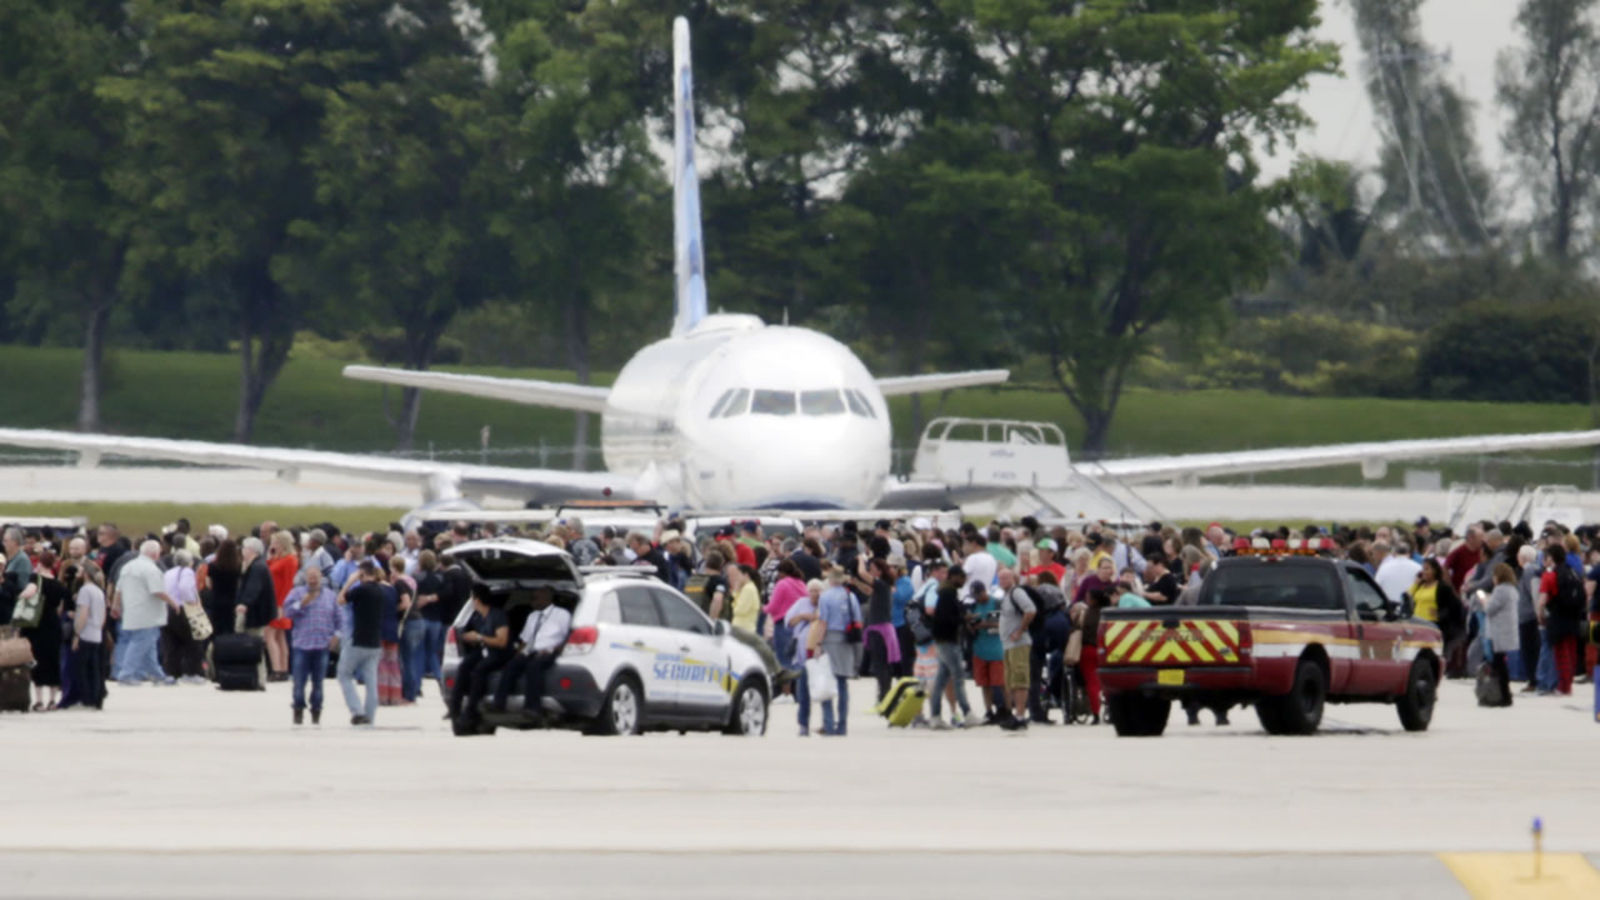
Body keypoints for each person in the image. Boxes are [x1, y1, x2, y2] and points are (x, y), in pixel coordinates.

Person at [491, 587, 572, 719]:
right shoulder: (532, 615)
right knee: (512, 665)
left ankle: (533, 707)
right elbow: (526, 639)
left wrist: (553, 650)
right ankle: (499, 703)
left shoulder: (562, 614)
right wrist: (519, 653)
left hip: (550, 650)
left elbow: (567, 637)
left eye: (535, 598)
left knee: (533, 667)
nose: (532, 601)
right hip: (531, 649)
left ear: (547, 598)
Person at [112, 540, 176, 686]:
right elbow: (158, 591)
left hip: (131, 612)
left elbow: (118, 589)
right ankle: (125, 675)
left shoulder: (127, 567)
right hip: (147, 614)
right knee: (139, 644)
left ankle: (156, 675)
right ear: (156, 554)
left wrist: (116, 606)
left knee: (149, 645)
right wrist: (173, 603)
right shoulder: (151, 569)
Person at [447, 582, 512, 727]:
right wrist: (470, 639)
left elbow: (502, 641)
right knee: (464, 666)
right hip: (484, 650)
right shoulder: (476, 617)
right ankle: (454, 708)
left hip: (500, 652)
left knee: (479, 671)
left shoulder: (497, 615)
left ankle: (471, 710)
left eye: (471, 598)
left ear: (476, 600)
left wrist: (479, 637)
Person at [283, 568, 337, 725]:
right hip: (302, 645)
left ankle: (316, 712)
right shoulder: (297, 593)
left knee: (318, 682)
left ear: (321, 578)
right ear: (306, 578)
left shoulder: (330, 596)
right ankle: (298, 710)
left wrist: (337, 635)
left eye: (316, 577)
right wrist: (302, 603)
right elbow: (287, 613)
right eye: (310, 577)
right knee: (299, 682)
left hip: (322, 645)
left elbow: (339, 617)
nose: (313, 580)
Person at [809, 570, 860, 736]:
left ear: (830, 580)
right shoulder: (850, 596)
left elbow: (822, 622)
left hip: (830, 639)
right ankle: (842, 725)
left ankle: (829, 723)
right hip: (846, 639)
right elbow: (858, 620)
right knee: (842, 683)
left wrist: (817, 643)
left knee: (826, 682)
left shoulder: (826, 597)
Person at [336, 561, 387, 726]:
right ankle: (369, 716)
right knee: (371, 681)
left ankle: (357, 711)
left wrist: (350, 581)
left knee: (344, 674)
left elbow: (341, 600)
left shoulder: (361, 589)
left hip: (358, 639)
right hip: (375, 641)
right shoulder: (381, 590)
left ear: (362, 574)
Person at [928, 565, 973, 730]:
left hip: (942, 640)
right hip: (948, 641)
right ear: (954, 577)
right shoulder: (948, 593)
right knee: (958, 678)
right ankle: (967, 713)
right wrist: (963, 619)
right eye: (962, 578)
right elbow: (946, 618)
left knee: (940, 681)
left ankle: (935, 716)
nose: (963, 581)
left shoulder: (945, 592)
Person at [21, 549, 65, 710]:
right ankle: (52, 699)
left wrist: (21, 597)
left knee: (37, 660)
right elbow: (60, 607)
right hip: (53, 625)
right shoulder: (58, 584)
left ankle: (38, 699)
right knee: (53, 661)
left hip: (37, 625)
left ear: (39, 563)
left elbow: (29, 592)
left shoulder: (35, 578)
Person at [853, 556, 900, 702]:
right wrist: (854, 582)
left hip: (879, 631)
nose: (869, 570)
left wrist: (861, 559)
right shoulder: (883, 586)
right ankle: (884, 696)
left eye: (871, 568)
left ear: (879, 571)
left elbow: (862, 573)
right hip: (881, 629)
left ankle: (884, 697)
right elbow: (868, 590)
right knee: (881, 665)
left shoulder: (881, 584)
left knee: (881, 665)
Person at [996, 568, 1036, 731]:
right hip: (1008, 645)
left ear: (1014, 578)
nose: (1003, 581)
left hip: (1018, 644)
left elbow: (1030, 610)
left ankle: (1020, 716)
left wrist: (1020, 630)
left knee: (1019, 680)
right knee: (1011, 681)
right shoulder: (1006, 596)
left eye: (1006, 577)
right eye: (1001, 578)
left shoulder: (1017, 593)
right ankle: (1016, 714)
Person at [236, 537, 278, 685]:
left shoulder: (257, 567)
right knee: (255, 644)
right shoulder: (256, 565)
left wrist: (244, 603)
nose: (242, 551)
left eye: (244, 548)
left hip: (256, 614)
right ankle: (256, 677)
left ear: (251, 550)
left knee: (254, 645)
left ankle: (259, 678)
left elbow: (254, 588)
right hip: (258, 613)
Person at [160, 550, 206, 684]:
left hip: (167, 609)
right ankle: (192, 673)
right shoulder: (187, 572)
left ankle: (171, 673)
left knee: (171, 643)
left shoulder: (168, 572)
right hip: (182, 609)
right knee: (192, 641)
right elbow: (185, 588)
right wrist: (192, 602)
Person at [785, 579, 822, 736]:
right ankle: (803, 724)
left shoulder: (825, 604)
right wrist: (803, 616)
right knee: (803, 691)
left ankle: (826, 722)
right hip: (802, 655)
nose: (814, 594)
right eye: (812, 590)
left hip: (820, 654)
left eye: (817, 590)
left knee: (824, 690)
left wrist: (811, 617)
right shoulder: (801, 603)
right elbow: (789, 622)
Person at [1480, 563, 1519, 707]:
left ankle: (1504, 695)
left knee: (1499, 664)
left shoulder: (1500, 590)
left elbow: (1490, 609)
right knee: (1501, 662)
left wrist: (1485, 601)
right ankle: (1504, 694)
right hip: (1508, 630)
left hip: (1498, 632)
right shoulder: (1512, 590)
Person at [71, 561, 108, 710]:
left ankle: (87, 699)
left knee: (82, 668)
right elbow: (103, 614)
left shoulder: (85, 590)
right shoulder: (99, 591)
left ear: (86, 574)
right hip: (96, 632)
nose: (76, 575)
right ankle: (97, 698)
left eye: (79, 572)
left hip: (86, 633)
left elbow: (84, 613)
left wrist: (77, 634)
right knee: (95, 667)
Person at [967, 580, 1004, 724]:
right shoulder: (973, 606)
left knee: (999, 682)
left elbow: (1001, 624)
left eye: (978, 595)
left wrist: (984, 624)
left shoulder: (996, 603)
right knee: (984, 683)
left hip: (996, 648)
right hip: (979, 647)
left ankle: (1004, 709)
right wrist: (971, 625)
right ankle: (988, 710)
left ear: (984, 591)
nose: (977, 598)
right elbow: (970, 628)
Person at [263, 531, 297, 681]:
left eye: (275, 542)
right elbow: (269, 569)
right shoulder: (279, 559)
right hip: (273, 600)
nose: (273, 545)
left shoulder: (290, 560)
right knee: (279, 636)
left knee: (269, 635)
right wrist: (270, 557)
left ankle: (277, 668)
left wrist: (281, 604)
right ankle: (283, 669)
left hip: (279, 602)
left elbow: (289, 583)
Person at [726, 564, 761, 634]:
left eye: (738, 575)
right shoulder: (745, 588)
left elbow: (738, 610)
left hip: (743, 629)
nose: (736, 578)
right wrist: (736, 591)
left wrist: (735, 592)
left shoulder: (748, 589)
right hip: (740, 628)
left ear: (746, 575)